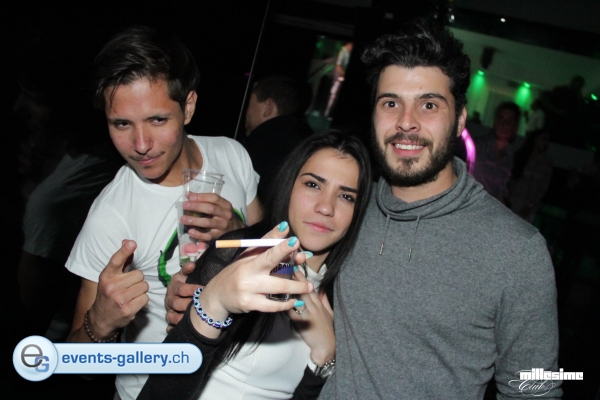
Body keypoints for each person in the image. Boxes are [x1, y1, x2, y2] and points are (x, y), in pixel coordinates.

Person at [315, 20, 561, 399]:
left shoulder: (517, 250)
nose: (406, 122)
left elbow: (536, 387)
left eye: (429, 105)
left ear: (460, 119)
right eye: (391, 103)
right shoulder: (348, 207)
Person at [64, 26, 263, 400]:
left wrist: (237, 233)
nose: (140, 145)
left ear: (188, 107)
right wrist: (100, 323)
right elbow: (79, 367)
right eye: (122, 124)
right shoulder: (111, 215)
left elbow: (274, 252)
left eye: (157, 120)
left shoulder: (231, 154)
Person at [138, 130, 372, 399]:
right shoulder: (236, 255)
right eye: (313, 184)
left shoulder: (345, 295)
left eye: (346, 196)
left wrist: (325, 355)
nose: (326, 207)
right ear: (290, 186)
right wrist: (211, 304)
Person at [242, 75, 314, 201]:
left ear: (268, 107)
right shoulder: (310, 144)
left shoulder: (256, 147)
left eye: (249, 102)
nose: (245, 110)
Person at [471, 101, 521, 202]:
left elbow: (501, 191)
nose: (504, 124)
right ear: (495, 122)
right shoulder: (477, 146)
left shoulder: (510, 156)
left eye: (509, 121)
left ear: (515, 127)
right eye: (500, 119)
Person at [508, 129, 553, 222]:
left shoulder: (546, 163)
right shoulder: (520, 156)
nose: (546, 143)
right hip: (511, 202)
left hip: (528, 208)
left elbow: (543, 187)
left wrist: (530, 206)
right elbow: (509, 180)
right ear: (535, 139)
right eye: (544, 139)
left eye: (548, 140)